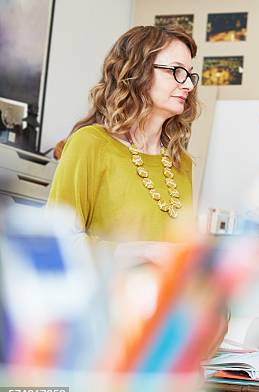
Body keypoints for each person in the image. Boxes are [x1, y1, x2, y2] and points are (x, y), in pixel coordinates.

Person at [48, 25, 200, 245]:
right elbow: (57, 238)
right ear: (138, 72)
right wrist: (134, 254)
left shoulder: (180, 161)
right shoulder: (90, 143)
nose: (188, 85)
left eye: (189, 74)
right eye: (175, 71)